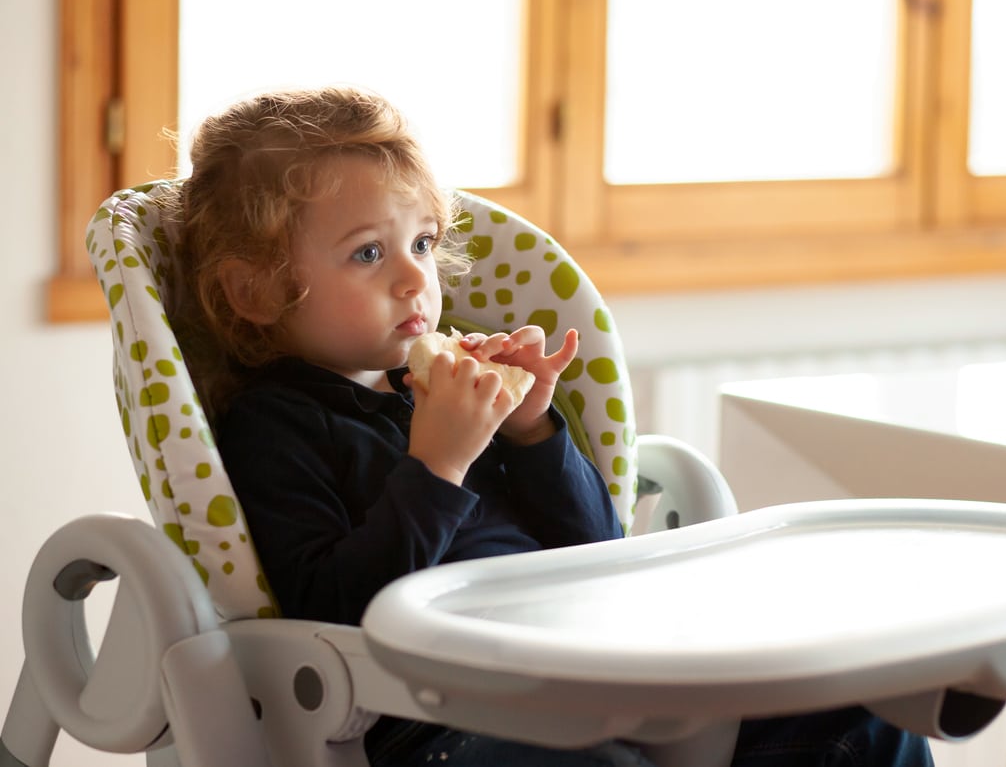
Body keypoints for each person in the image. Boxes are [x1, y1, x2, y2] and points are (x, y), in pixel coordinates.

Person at [169, 86, 934, 767]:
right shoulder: (273, 427)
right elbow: (336, 613)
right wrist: (436, 467)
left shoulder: (449, 389)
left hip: (595, 674)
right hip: (435, 723)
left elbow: (598, 551)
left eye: (424, 243)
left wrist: (533, 431)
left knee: (865, 720)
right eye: (368, 253)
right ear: (258, 291)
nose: (415, 278)